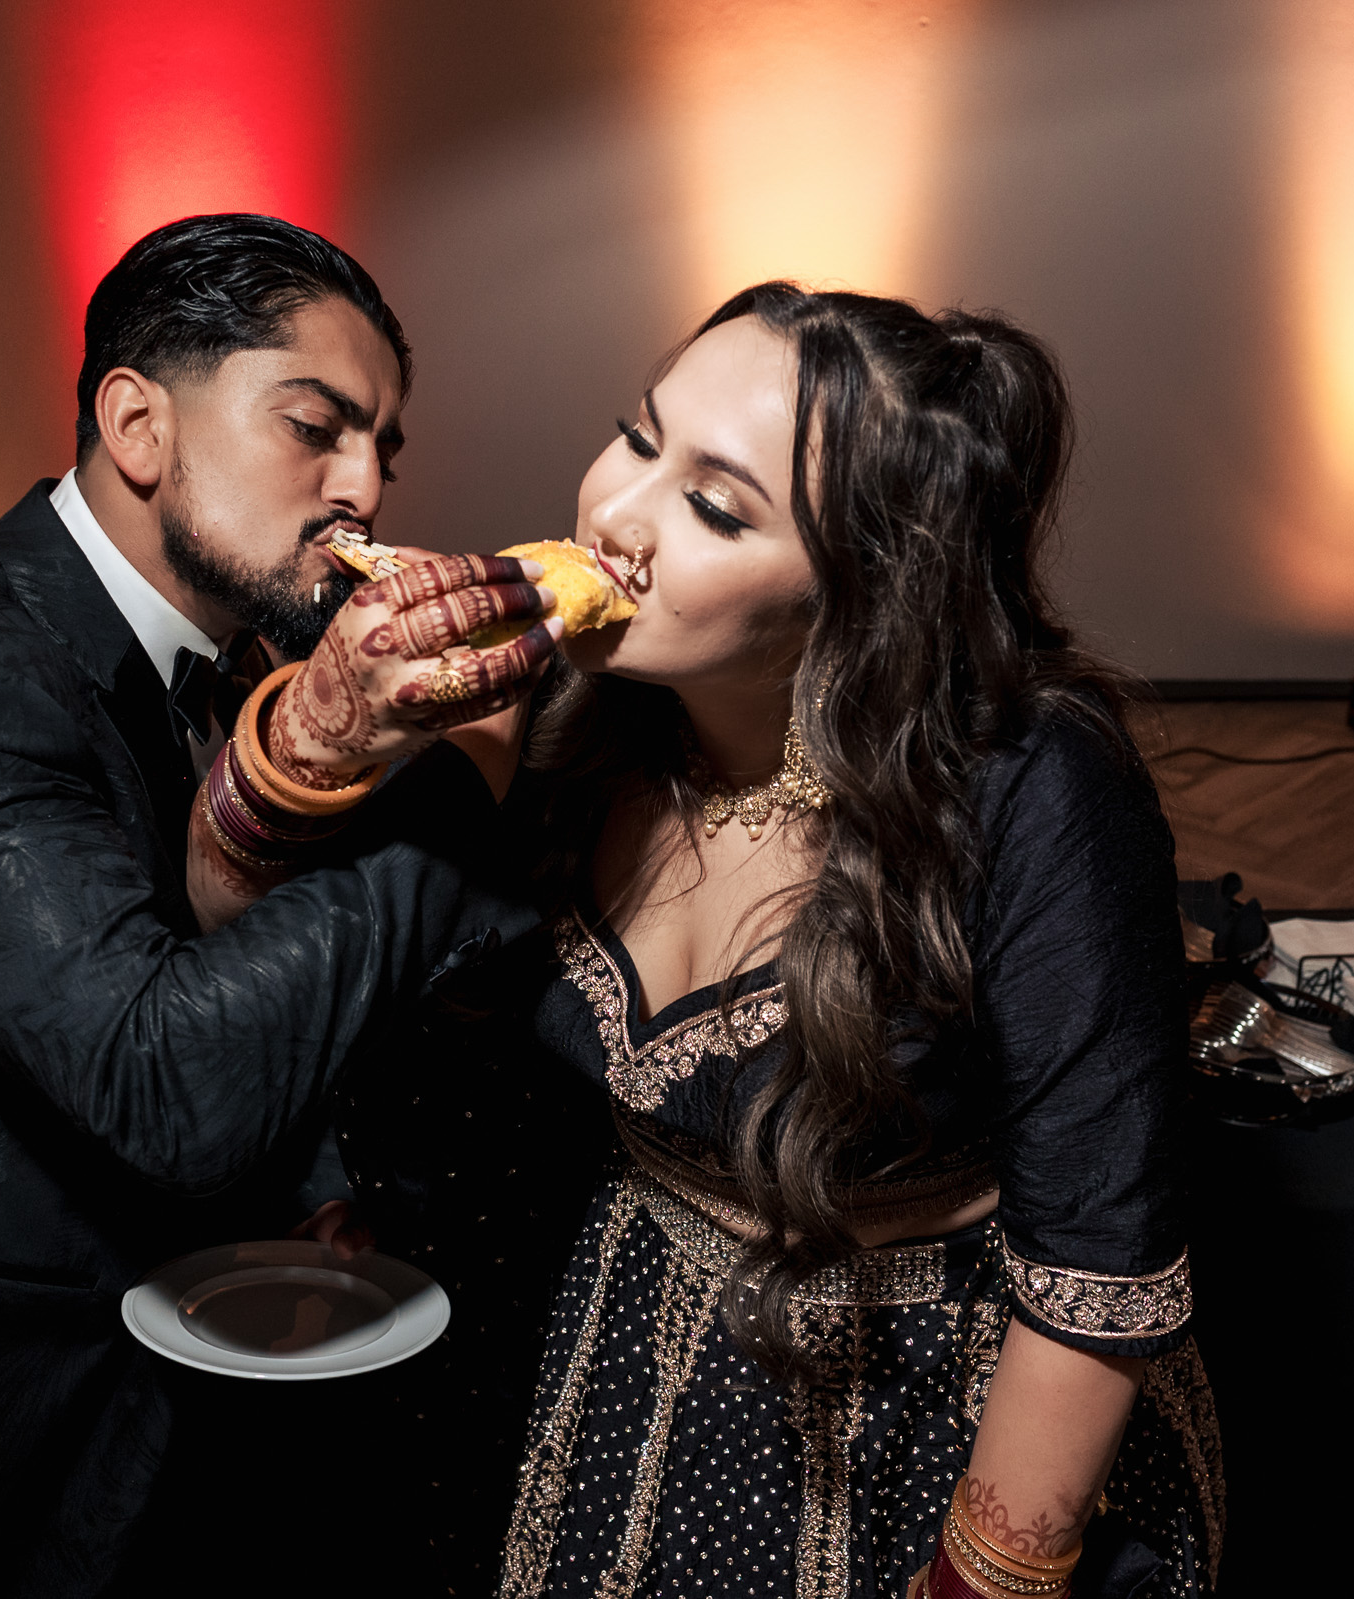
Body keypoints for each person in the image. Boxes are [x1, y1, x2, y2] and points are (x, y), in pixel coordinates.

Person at [223, 283, 1222, 1596]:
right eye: (639, 439)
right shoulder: (564, 711)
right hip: (623, 1354)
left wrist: (983, 1578)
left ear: (858, 593)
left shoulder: (1033, 783)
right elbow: (255, 957)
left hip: (927, 1400)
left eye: (715, 506)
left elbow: (1102, 1252)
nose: (617, 520)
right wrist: (329, 735)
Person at [0, 213, 561, 1597]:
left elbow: (216, 950)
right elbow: (161, 1087)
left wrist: (317, 1180)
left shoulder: (231, 660)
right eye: (314, 428)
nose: (364, 495)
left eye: (380, 451)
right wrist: (454, 795)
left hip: (160, 1393)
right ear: (139, 424)